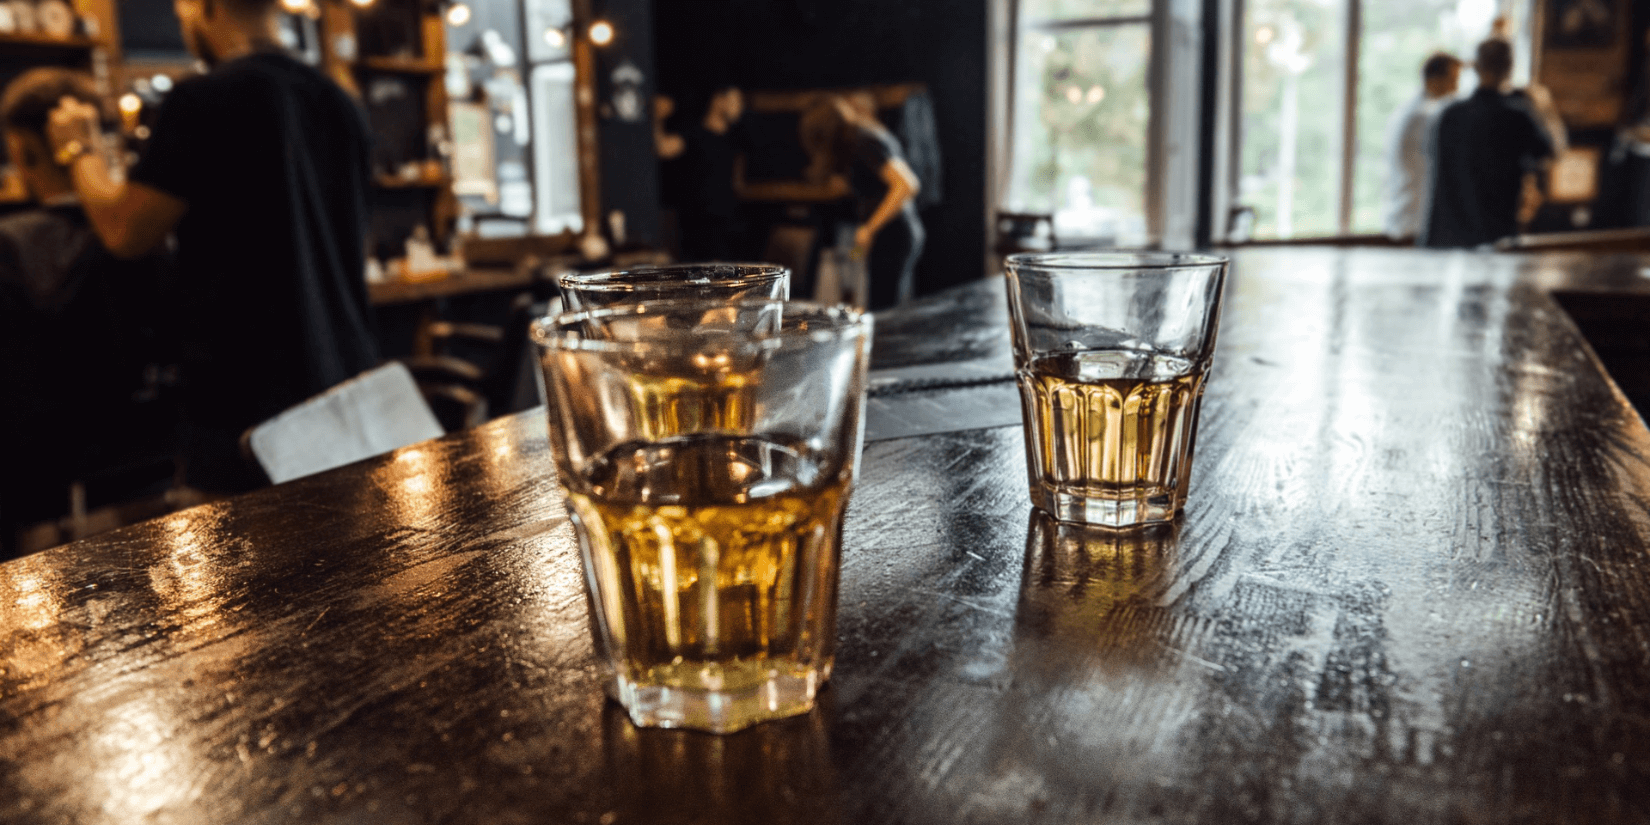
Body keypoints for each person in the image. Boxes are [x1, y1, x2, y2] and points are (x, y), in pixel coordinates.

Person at [46, 0, 380, 493]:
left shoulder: (206, 98)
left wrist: (80, 150)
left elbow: (125, 232)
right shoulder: (339, 100)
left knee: (254, 564)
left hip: (249, 399)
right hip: (346, 379)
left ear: (206, 8)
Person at [0, 68, 172, 554]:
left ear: (22, 152)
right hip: (164, 469)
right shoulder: (150, 236)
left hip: (49, 500)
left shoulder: (11, 246)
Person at [1422, 38, 1557, 248]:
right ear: (1510, 69)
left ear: (1475, 67)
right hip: (1494, 239)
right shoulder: (1517, 116)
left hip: (1446, 239)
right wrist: (1542, 105)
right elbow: (1551, 152)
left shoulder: (1449, 115)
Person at [800, 95, 923, 309]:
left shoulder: (864, 141)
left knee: (885, 310)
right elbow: (875, 184)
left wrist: (869, 229)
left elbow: (906, 185)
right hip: (882, 235)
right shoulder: (858, 141)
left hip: (894, 235)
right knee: (872, 301)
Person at [1383, 52, 1460, 240]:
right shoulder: (1427, 116)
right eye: (1453, 80)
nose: (1456, 89)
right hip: (1417, 222)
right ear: (1434, 80)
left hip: (1401, 217)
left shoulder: (1403, 111)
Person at [675, 85, 749, 261]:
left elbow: (738, 180)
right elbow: (662, 148)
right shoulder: (695, 135)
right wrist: (656, 117)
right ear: (718, 100)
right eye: (735, 100)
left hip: (730, 220)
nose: (739, 107)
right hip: (700, 222)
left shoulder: (735, 139)